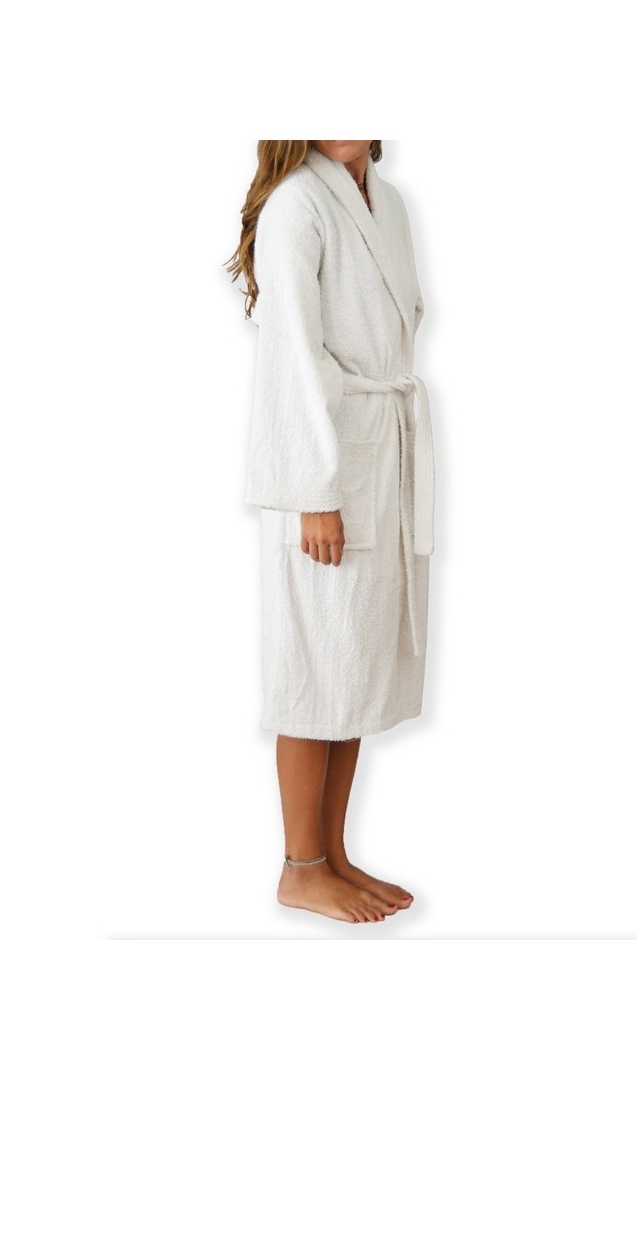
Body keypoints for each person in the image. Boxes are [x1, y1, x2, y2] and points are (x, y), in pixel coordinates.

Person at [227, 141, 435, 924]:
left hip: (375, 456)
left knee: (355, 666)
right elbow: (288, 354)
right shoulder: (297, 206)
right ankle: (300, 866)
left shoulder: (389, 201)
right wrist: (314, 492)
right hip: (321, 467)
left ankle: (333, 854)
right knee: (314, 665)